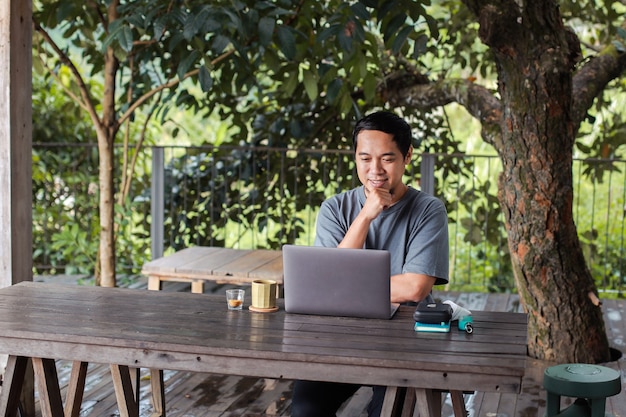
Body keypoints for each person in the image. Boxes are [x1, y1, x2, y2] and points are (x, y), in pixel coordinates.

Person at [290, 111, 450, 417]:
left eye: (387, 158)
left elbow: (415, 288)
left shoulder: (428, 210)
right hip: (339, 335)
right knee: (305, 410)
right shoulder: (335, 208)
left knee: (387, 413)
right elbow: (327, 282)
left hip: (404, 338)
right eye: (364, 158)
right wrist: (366, 214)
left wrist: (342, 287)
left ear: (407, 156)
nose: (374, 169)